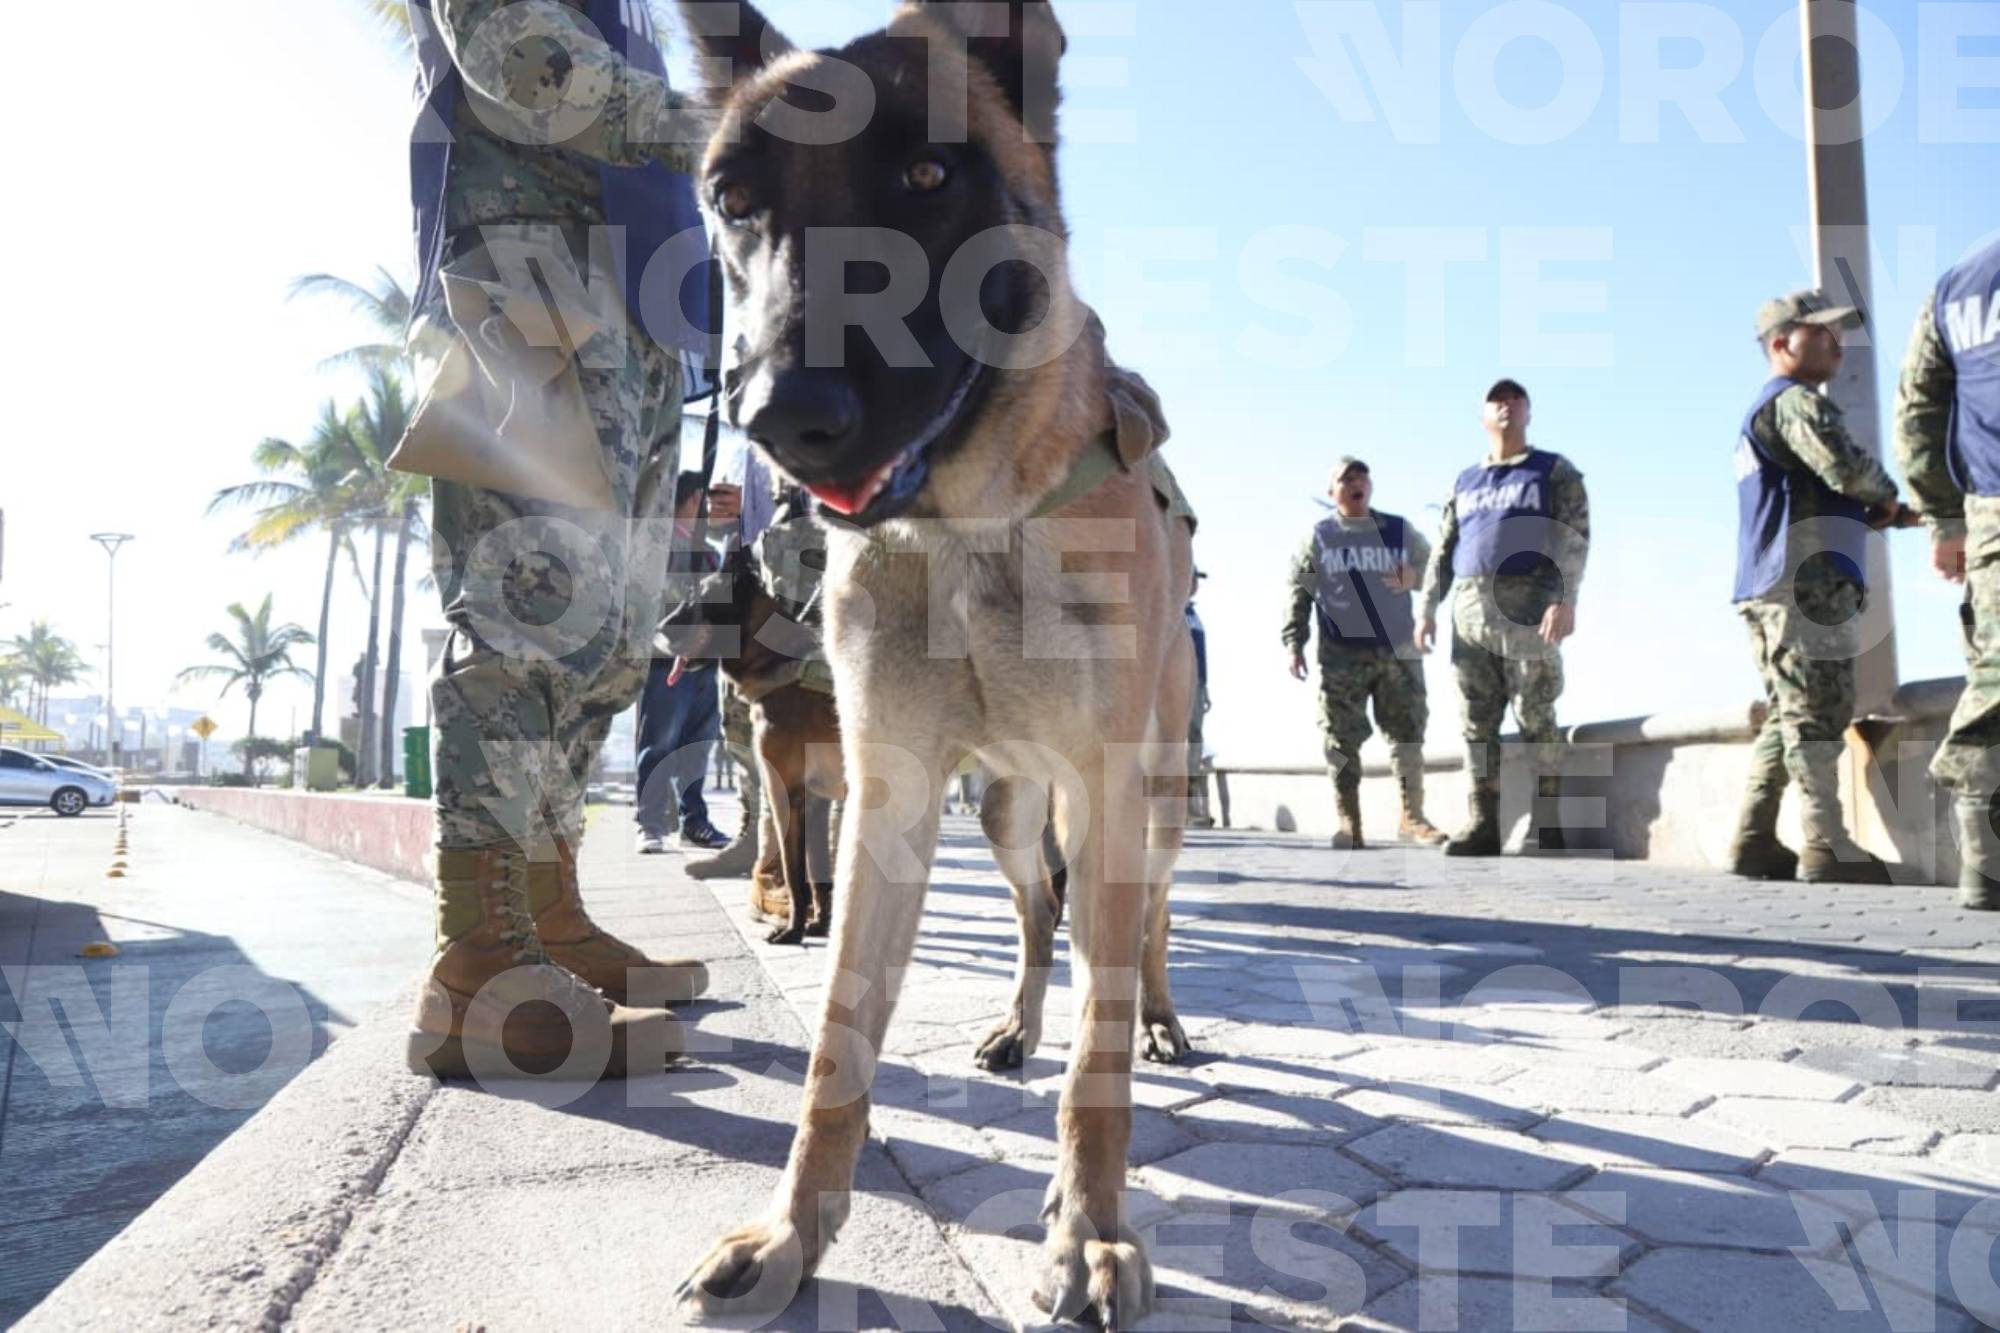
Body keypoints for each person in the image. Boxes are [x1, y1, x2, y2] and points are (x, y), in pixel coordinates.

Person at [400, 0, 712, 1079]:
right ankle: (480, 969)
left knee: (609, 644)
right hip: (530, 281)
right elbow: (520, 55)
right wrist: (733, 130)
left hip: (636, 314)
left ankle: (546, 918)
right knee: (527, 613)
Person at [1729, 290, 1908, 885]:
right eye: (1822, 332)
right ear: (1782, 343)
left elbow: (1815, 488)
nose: (1838, 342)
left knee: (1789, 713)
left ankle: (1753, 838)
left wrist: (1880, 512)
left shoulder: (1763, 411)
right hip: (1806, 583)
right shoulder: (1795, 402)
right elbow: (1845, 468)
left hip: (1771, 582)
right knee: (1818, 713)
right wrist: (1887, 497)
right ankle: (1826, 845)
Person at [1417, 381, 1588, 857]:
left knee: (1536, 711)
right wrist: (1427, 609)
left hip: (1530, 605)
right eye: (1497, 400)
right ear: (1483, 418)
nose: (1506, 405)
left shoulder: (1552, 471)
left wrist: (1565, 599)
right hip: (1471, 610)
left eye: (1515, 399)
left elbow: (1575, 537)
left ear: (1528, 411)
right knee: (1476, 720)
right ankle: (1483, 823)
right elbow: (1444, 548)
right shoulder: (1466, 480)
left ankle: (1547, 822)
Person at [1895, 239, 2000, 911]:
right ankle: (1984, 851)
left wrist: (1944, 516)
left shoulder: (1956, 286)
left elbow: (1917, 412)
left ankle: (1986, 857)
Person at [1284, 457, 1447, 848]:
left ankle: (1412, 816)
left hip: (1398, 650)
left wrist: (1414, 577)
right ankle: (1349, 821)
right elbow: (1300, 590)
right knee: (1340, 739)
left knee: (1408, 733)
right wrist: (1294, 642)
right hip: (1342, 654)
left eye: (1362, 477)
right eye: (1346, 479)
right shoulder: (1320, 537)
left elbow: (1437, 572)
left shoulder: (1399, 531)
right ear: (1332, 492)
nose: (1356, 483)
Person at [633, 474, 730, 853]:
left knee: (698, 747)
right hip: (666, 662)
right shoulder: (658, 546)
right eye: (708, 498)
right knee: (659, 743)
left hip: (707, 665)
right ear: (694, 498)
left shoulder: (709, 552)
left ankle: (695, 822)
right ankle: (650, 824)